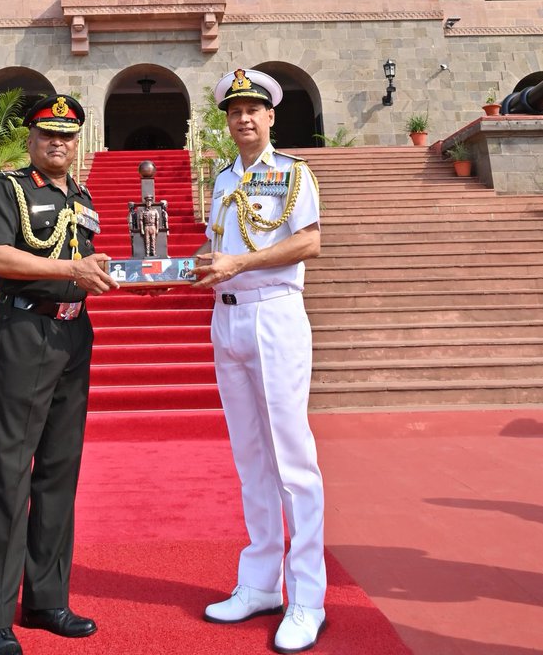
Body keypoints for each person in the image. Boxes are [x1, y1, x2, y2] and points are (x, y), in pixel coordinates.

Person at [0, 93, 117, 655]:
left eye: (68, 135)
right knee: (8, 472)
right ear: (32, 138)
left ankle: (46, 598)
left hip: (73, 333)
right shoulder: (8, 189)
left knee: (58, 470)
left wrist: (104, 271)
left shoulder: (81, 196)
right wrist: (68, 269)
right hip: (25, 333)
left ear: (78, 142)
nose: (59, 143)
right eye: (48, 134)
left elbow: (84, 261)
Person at [193, 68, 326, 653]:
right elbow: (219, 245)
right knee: (250, 456)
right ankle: (260, 583)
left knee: (292, 461)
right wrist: (193, 265)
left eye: (254, 109)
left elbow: (309, 242)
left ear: (271, 116)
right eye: (234, 110)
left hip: (274, 313)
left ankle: (307, 598)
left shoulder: (293, 174)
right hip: (228, 318)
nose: (244, 118)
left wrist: (238, 266)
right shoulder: (222, 180)